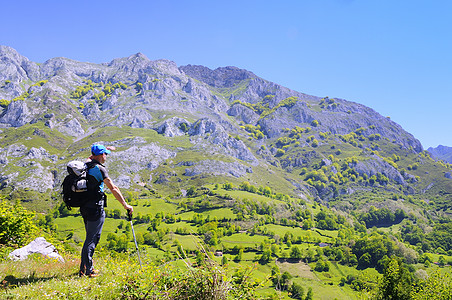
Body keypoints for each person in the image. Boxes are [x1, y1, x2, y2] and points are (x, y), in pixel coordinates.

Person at [79, 143, 133, 277]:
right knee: (92, 239)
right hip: (95, 208)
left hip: (85, 206)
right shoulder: (100, 169)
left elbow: (91, 155)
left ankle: (83, 268)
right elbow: (113, 188)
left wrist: (106, 149)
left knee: (89, 238)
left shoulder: (87, 164)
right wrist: (125, 205)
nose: (106, 157)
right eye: (105, 155)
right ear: (101, 155)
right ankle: (88, 271)